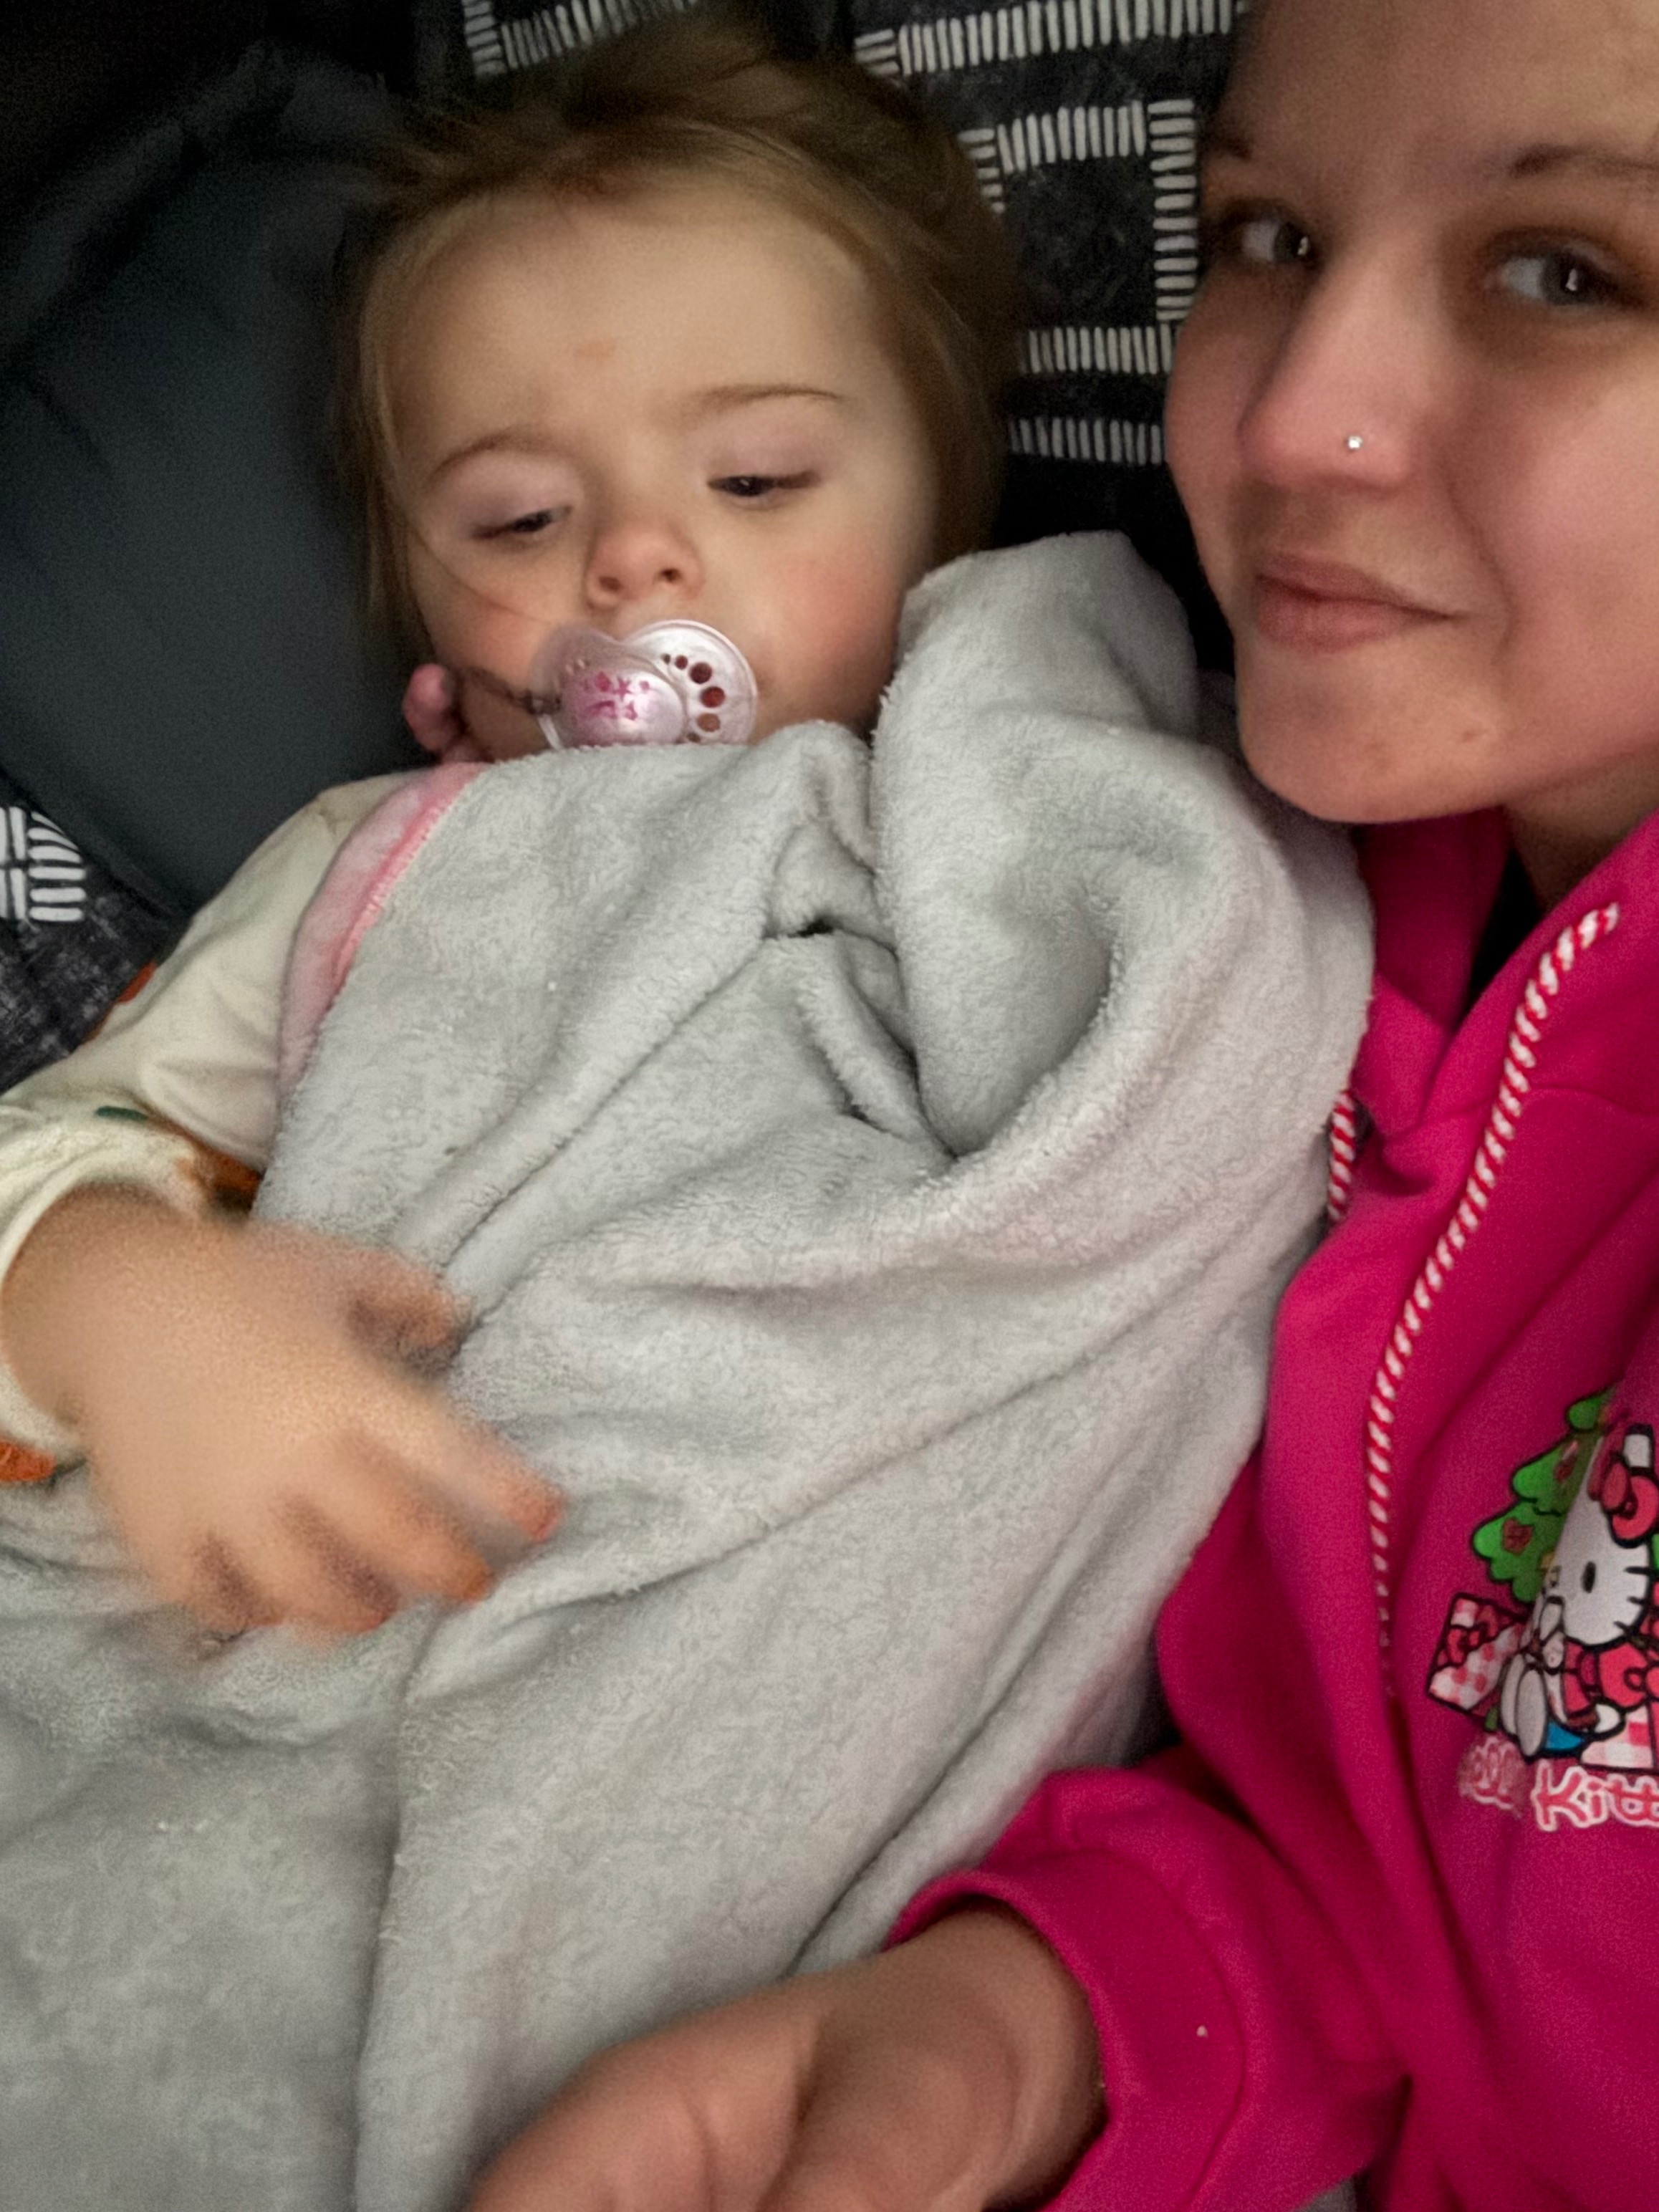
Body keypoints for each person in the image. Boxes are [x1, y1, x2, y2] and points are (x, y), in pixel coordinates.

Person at [0, 18, 1371, 2212]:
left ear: (941, 527)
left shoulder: (1102, 803)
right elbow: (56, 1154)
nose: (637, 559)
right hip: (323, 1626)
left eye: (755, 484)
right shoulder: (379, 862)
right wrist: (124, 1299)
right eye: (520, 517)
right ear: (428, 637)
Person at [439, 0, 1659, 2208]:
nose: (1292, 420)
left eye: (1563, 273)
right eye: (1270, 237)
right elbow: (1389, 1885)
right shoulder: (1306, 936)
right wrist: (1025, 2036)